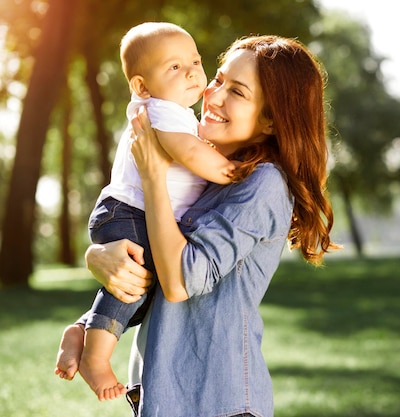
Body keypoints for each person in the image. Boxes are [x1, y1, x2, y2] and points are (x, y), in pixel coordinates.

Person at [55, 34, 340, 416]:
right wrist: (99, 256)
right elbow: (152, 260)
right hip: (162, 396)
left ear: (272, 119)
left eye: (236, 91)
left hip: (215, 400)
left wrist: (153, 176)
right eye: (218, 79)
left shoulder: (263, 182)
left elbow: (178, 281)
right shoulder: (197, 174)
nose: (212, 93)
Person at [54, 22, 238, 401]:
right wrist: (234, 172)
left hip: (128, 211)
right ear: (142, 85)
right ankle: (96, 359)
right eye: (174, 67)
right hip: (130, 212)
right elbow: (188, 153)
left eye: (194, 61)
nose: (190, 72)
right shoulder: (160, 111)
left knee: (142, 289)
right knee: (137, 281)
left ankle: (84, 329)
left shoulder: (177, 113)